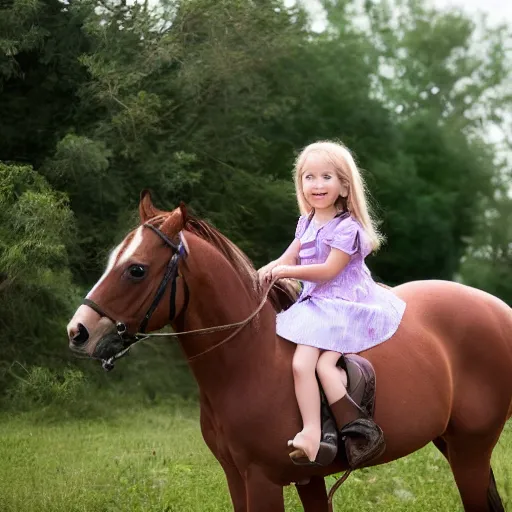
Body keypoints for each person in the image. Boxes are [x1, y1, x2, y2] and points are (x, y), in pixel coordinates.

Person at [258, 140, 406, 466]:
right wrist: (267, 271)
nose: (317, 184)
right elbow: (288, 256)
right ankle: (320, 430)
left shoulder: (347, 229)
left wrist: (286, 270)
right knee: (303, 363)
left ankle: (330, 431)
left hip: (343, 304)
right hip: (316, 304)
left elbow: (328, 271)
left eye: (326, 177)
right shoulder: (307, 222)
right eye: (308, 177)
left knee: (315, 365)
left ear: (343, 185)